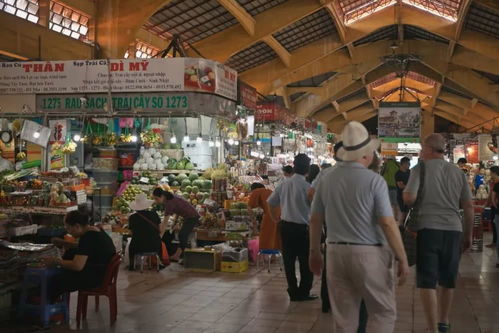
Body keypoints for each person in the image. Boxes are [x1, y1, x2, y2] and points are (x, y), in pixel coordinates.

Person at [309, 121, 409, 333]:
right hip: (369, 253)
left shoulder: (326, 179)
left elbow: (315, 219)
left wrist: (314, 252)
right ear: (366, 154)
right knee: (383, 313)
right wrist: (402, 256)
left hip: (335, 252)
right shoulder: (374, 181)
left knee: (344, 320)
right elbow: (387, 222)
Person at [403, 134, 473, 333]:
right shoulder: (458, 172)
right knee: (447, 278)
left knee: (427, 280)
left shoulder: (420, 169)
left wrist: (404, 195)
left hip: (427, 229)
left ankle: (432, 328)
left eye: (423, 147)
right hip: (453, 230)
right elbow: (468, 206)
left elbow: (409, 197)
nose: (421, 151)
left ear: (429, 149)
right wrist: (467, 235)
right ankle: (443, 322)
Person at [268, 154, 316, 302]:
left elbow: (271, 202)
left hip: (286, 227)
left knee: (288, 261)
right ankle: (303, 292)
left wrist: (275, 219)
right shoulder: (308, 187)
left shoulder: (284, 184)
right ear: (307, 169)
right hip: (303, 229)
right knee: (306, 263)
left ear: (294, 166)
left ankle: (293, 291)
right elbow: (315, 208)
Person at [43, 210, 116, 300]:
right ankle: (55, 304)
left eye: (69, 228)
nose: (69, 232)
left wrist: (56, 261)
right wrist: (64, 243)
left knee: (54, 280)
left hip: (94, 278)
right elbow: (86, 249)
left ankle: (45, 306)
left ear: (77, 226)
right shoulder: (96, 231)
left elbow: (77, 266)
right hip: (101, 273)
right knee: (67, 260)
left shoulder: (88, 237)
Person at [160, 189, 200, 262]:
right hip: (189, 216)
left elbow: (165, 221)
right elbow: (178, 210)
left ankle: (180, 256)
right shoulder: (174, 197)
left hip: (192, 217)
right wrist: (174, 223)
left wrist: (161, 235)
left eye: (159, 198)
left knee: (182, 235)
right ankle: (178, 255)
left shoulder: (169, 204)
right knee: (182, 235)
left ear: (164, 197)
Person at [128, 193, 162, 270]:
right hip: (154, 245)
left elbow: (130, 233)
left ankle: (131, 266)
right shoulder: (154, 214)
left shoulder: (132, 217)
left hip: (138, 246)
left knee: (131, 247)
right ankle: (160, 263)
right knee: (159, 242)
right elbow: (159, 229)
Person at [248, 183, 281, 250]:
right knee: (275, 236)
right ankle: (274, 254)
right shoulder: (269, 191)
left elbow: (249, 208)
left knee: (265, 236)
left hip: (270, 215)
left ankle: (265, 254)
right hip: (280, 215)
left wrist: (254, 225)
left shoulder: (256, 191)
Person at [395, 157, 411, 224]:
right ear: (403, 164)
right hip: (401, 196)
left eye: (409, 163)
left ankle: (404, 226)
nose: (409, 165)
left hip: (410, 195)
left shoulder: (410, 172)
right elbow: (400, 186)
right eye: (408, 163)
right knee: (403, 213)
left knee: (409, 212)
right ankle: (400, 226)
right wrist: (411, 186)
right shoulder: (398, 174)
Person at [487, 166, 499, 248]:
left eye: (490, 172)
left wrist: (495, 204)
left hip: (496, 206)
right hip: (494, 206)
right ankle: (494, 241)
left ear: (494, 172)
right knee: (494, 224)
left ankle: (495, 242)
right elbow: (491, 194)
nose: (490, 174)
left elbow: (493, 195)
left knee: (495, 224)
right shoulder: (493, 182)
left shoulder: (497, 182)